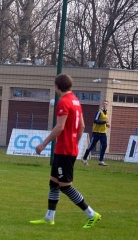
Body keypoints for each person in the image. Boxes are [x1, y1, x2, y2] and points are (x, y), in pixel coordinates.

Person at [30, 73, 101, 229]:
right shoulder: (76, 100)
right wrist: (74, 142)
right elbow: (82, 126)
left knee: (65, 186)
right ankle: (49, 217)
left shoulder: (63, 102)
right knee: (54, 183)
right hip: (68, 148)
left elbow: (60, 126)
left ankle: (91, 214)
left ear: (57, 87)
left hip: (64, 150)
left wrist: (43, 144)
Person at [82, 100, 110, 166]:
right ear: (102, 104)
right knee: (91, 146)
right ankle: (84, 158)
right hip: (96, 132)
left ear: (107, 105)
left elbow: (104, 121)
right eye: (104, 103)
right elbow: (95, 121)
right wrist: (104, 122)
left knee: (104, 145)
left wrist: (106, 125)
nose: (105, 105)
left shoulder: (107, 112)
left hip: (103, 132)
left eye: (106, 104)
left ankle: (101, 160)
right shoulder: (99, 112)